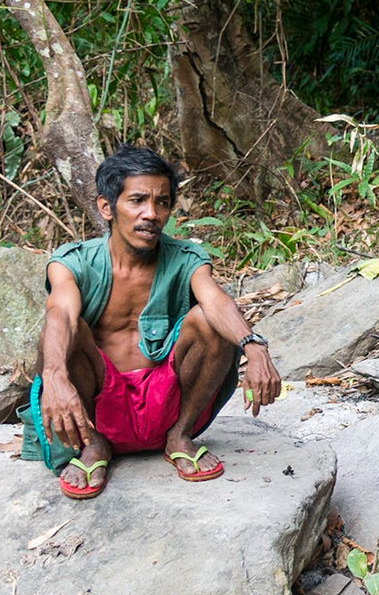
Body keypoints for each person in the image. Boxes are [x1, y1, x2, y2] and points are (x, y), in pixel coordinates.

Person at [24, 146, 282, 498]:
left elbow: (216, 300)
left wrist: (253, 346)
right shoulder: (73, 262)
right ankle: (95, 445)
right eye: (137, 200)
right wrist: (53, 375)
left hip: (167, 405)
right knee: (68, 331)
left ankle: (180, 435)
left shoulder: (186, 258)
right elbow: (61, 314)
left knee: (209, 321)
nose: (151, 213)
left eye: (162, 202)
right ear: (106, 207)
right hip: (99, 408)